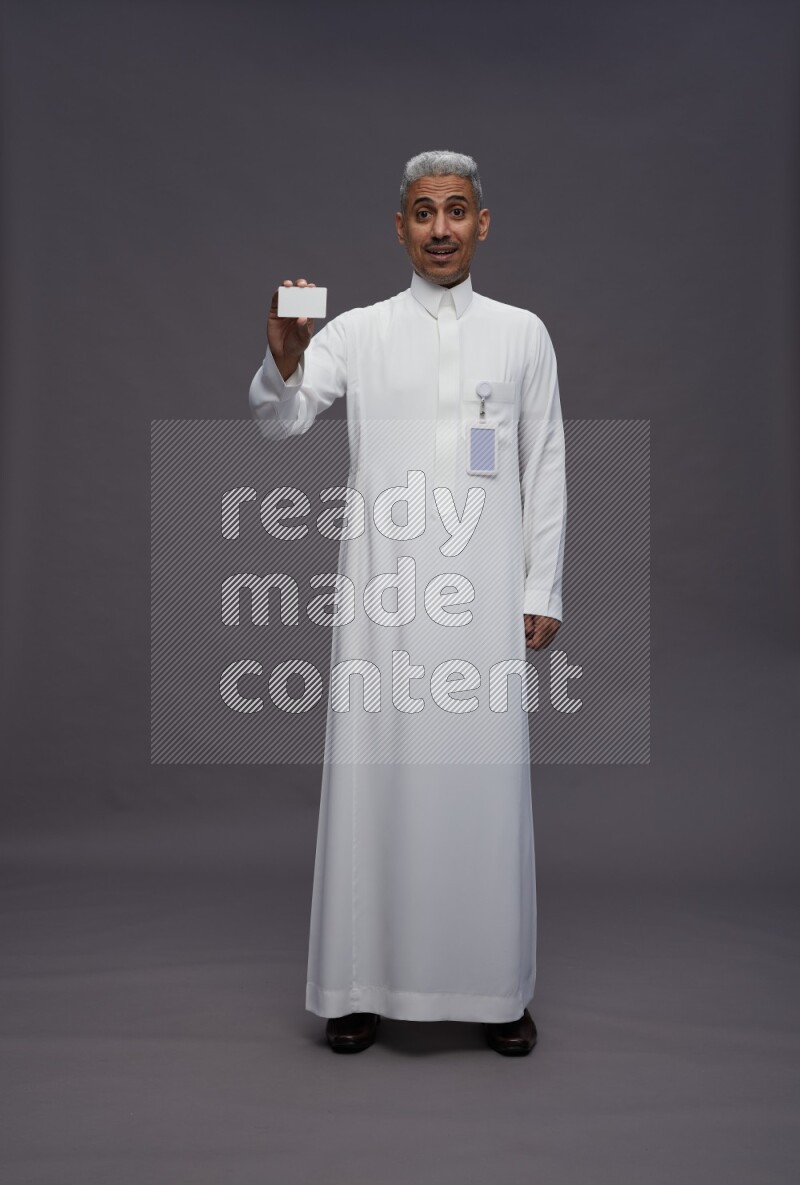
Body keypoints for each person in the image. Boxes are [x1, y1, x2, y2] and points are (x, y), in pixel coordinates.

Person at [248, 150, 567, 1056]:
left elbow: (545, 465)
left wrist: (542, 584)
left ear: (482, 223)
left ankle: (496, 988)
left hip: (486, 595)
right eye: (422, 212)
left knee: (484, 784)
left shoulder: (521, 333)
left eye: (455, 211)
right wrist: (282, 361)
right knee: (372, 781)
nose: (439, 228)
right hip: (382, 596)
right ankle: (357, 985)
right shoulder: (356, 332)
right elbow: (282, 419)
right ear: (399, 228)